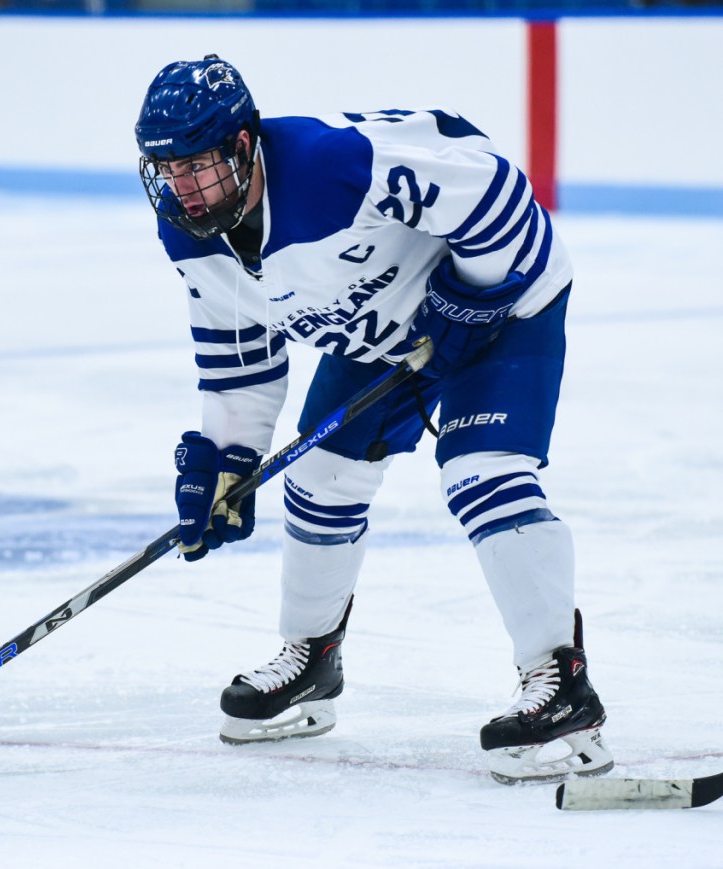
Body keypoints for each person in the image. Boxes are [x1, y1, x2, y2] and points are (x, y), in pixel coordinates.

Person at [134, 55, 613, 784]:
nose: (181, 191)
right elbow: (241, 364)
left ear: (241, 146)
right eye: (166, 171)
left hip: (504, 302)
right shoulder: (192, 237)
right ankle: (313, 660)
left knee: (481, 473)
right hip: (381, 333)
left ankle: (561, 683)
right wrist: (225, 464)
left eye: (195, 166)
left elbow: (495, 191)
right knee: (319, 474)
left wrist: (469, 294)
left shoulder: (332, 167)